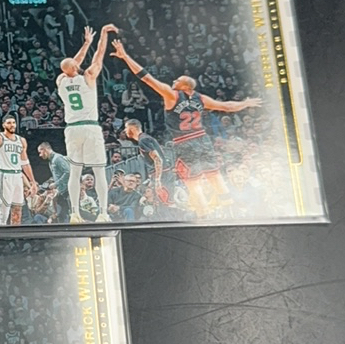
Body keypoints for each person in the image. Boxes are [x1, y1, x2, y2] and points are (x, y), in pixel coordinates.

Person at [110, 38, 262, 218]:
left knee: (192, 182)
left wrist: (125, 57)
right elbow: (227, 106)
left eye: (178, 80)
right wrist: (245, 103)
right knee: (214, 175)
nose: (174, 80)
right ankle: (230, 210)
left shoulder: (172, 95)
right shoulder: (201, 99)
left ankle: (203, 215)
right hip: (203, 139)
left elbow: (146, 77)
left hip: (185, 141)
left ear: (185, 87)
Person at [56, 24, 118, 223]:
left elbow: (72, 64)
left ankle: (74, 213)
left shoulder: (61, 81)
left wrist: (85, 43)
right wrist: (102, 35)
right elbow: (99, 56)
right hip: (90, 126)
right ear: (76, 67)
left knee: (75, 172)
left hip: (72, 128)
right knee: (99, 171)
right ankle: (103, 213)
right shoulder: (88, 77)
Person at [122, 119, 167, 202]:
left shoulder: (143, 140)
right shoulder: (146, 138)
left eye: (126, 128)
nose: (124, 130)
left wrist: (157, 179)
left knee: (164, 202)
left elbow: (157, 159)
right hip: (162, 173)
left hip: (163, 175)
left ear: (133, 128)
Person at [36, 141, 72, 222]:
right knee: (62, 215)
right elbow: (58, 175)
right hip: (62, 192)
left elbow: (68, 172)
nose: (40, 155)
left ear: (44, 149)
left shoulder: (58, 158)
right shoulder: (51, 161)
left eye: (40, 152)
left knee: (67, 214)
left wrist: (56, 183)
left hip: (68, 191)